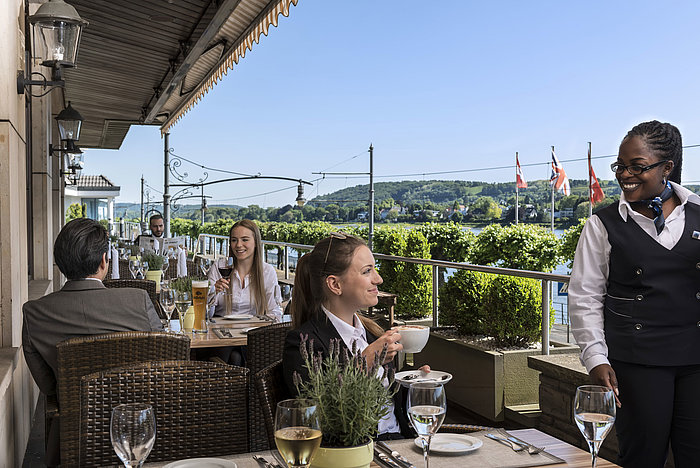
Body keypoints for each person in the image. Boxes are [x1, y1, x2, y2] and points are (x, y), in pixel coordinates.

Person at [569, 121, 700, 467]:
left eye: (637, 167)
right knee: (642, 457)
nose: (625, 175)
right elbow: (585, 296)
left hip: (696, 359)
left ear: (666, 167)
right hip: (636, 362)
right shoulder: (602, 223)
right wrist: (595, 357)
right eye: (620, 166)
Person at [22, 218, 163, 466]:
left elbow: (48, 386)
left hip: (75, 438)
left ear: (60, 264)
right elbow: (166, 361)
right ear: (103, 260)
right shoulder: (138, 300)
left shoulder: (35, 313)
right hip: (143, 436)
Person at [282, 233, 426, 439]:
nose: (378, 279)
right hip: (357, 452)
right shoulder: (303, 343)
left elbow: (389, 404)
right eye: (367, 271)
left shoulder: (372, 333)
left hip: (400, 443)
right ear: (335, 285)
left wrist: (415, 385)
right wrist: (364, 363)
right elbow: (319, 417)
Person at [208, 219, 282, 320]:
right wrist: (213, 292)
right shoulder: (218, 267)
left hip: (254, 331)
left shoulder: (267, 271)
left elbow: (274, 312)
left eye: (245, 240)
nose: (238, 245)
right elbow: (206, 315)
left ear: (256, 242)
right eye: (234, 240)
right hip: (220, 330)